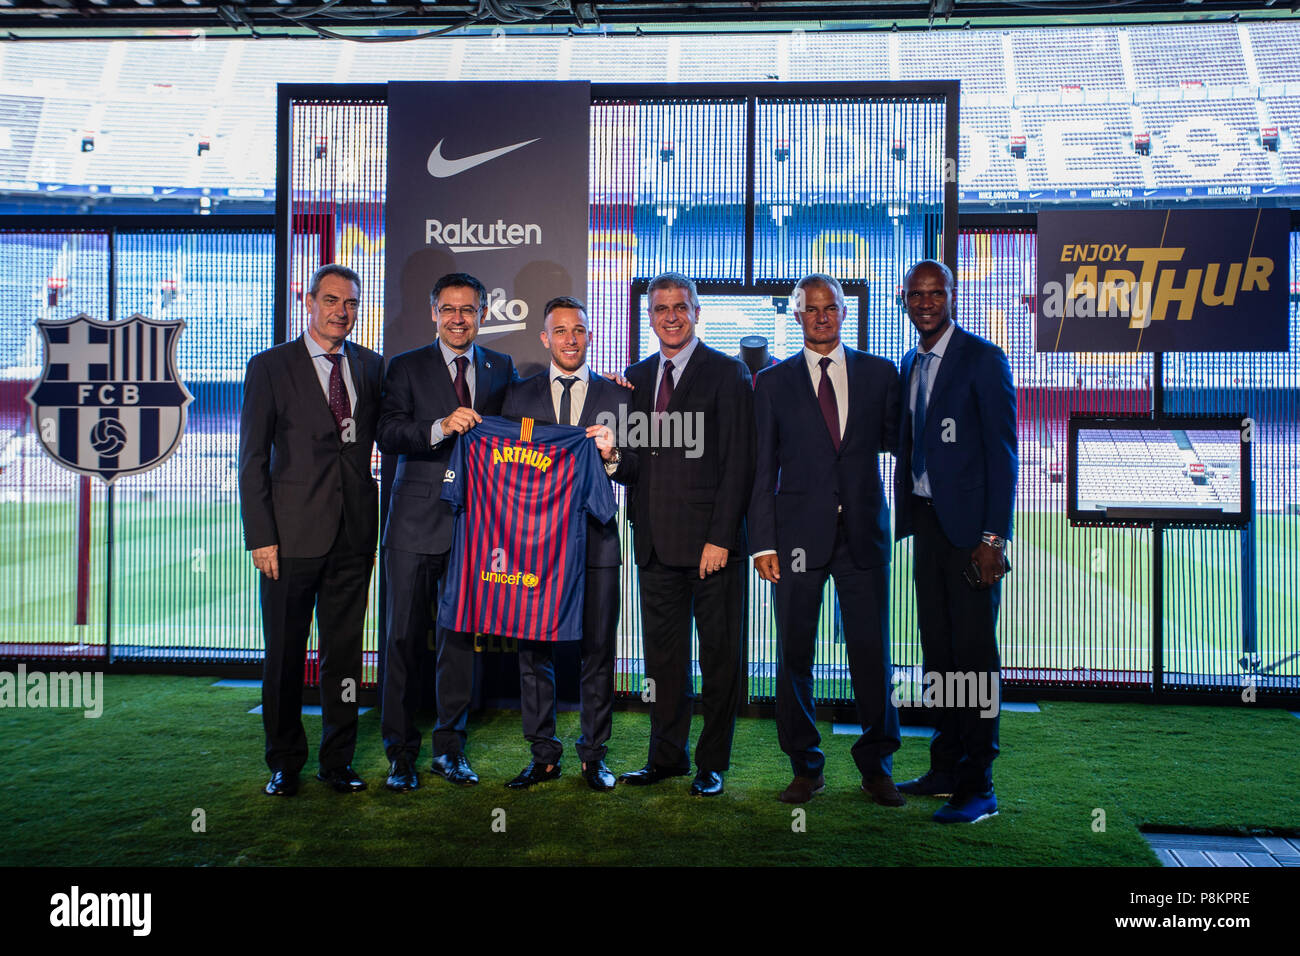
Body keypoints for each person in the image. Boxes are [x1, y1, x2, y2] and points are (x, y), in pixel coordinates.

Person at [750, 274, 904, 806]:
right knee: (794, 654)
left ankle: (878, 766)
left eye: (830, 307)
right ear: (797, 316)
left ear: (845, 310)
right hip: (794, 542)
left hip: (862, 538)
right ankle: (805, 766)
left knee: (871, 653)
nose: (821, 316)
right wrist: (763, 543)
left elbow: (905, 451)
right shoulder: (771, 383)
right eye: (810, 308)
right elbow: (760, 469)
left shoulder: (881, 375)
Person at [238, 263, 384, 797]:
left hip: (353, 537)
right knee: (284, 654)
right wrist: (261, 536)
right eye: (331, 301)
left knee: (343, 657)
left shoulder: (370, 367)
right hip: (289, 539)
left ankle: (337, 760)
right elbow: (251, 459)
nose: (341, 312)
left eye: (350, 303)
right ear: (308, 301)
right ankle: (284, 761)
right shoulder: (270, 367)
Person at [376, 272, 516, 792]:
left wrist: (607, 388)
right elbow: (388, 433)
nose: (459, 318)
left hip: (475, 527)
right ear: (434, 311)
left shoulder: (500, 367)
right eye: (449, 309)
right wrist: (438, 428)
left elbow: (526, 428)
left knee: (458, 642)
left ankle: (449, 750)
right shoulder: (405, 366)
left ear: (483, 313)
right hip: (413, 526)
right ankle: (400, 753)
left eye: (469, 309)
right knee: (402, 640)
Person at [618, 271, 755, 797]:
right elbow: (634, 463)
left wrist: (721, 538)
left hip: (710, 549)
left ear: (697, 311)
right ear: (648, 316)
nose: (670, 316)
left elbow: (739, 462)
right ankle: (666, 757)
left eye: (680, 306)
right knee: (664, 663)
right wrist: (611, 458)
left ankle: (712, 763)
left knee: (720, 659)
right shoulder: (636, 376)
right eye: (660, 308)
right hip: (653, 544)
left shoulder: (728, 373)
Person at [894, 259, 1017, 824]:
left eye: (934, 292)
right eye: (916, 294)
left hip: (971, 538)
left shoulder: (982, 358)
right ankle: (945, 765)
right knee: (939, 653)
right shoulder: (910, 363)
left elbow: (1002, 454)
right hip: (927, 527)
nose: (925, 302)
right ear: (903, 299)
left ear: (952, 295)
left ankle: (980, 783)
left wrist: (993, 538)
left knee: (974, 659)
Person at [499, 296, 634, 792]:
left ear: (590, 336)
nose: (570, 339)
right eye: (560, 331)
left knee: (598, 650)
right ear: (544, 338)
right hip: (535, 547)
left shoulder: (619, 398)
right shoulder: (517, 396)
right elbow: (504, 468)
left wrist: (613, 452)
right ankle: (543, 755)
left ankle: (593, 756)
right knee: (534, 653)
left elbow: (636, 468)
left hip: (598, 541)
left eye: (579, 330)